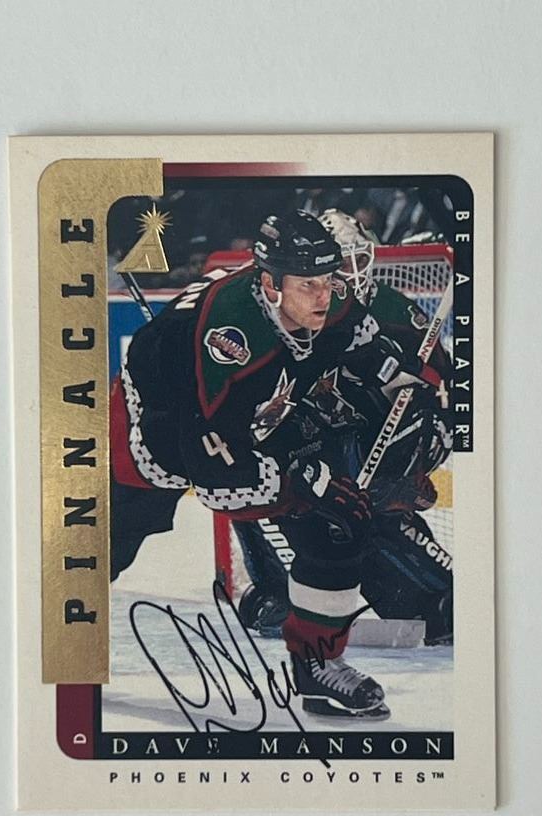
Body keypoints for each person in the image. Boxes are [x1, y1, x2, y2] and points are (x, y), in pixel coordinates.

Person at [110, 210, 407, 718]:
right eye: (308, 284)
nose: (324, 295)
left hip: (254, 415)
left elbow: (371, 354)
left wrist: (414, 392)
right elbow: (216, 474)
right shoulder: (230, 338)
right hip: (164, 427)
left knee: (338, 525)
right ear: (270, 285)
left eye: (328, 279)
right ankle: (50, 638)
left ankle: (319, 668)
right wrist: (304, 483)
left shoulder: (325, 299)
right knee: (101, 548)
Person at [235, 209, 454, 645]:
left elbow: (444, 395)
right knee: (252, 482)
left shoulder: (392, 310)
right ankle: (275, 586)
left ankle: (424, 589)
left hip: (371, 456)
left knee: (428, 602)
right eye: (339, 266)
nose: (350, 275)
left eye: (358, 259)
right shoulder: (286, 316)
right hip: (310, 453)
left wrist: (421, 439)